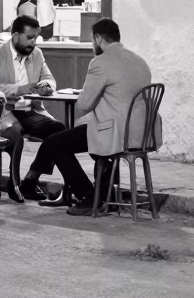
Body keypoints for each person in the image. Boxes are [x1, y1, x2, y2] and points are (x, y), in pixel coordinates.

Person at [22, 18, 162, 216]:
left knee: (55, 143)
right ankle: (103, 195)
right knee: (86, 139)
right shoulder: (140, 61)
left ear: (97, 39)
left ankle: (88, 197)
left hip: (115, 134)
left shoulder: (100, 63)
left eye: (92, 41)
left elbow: (84, 106)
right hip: (142, 134)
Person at [0, 16, 66, 203]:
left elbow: (50, 79)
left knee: (58, 131)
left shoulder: (37, 54)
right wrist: (20, 89)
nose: (33, 42)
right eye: (30, 37)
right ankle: (14, 183)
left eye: (36, 37)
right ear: (16, 36)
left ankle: (31, 180)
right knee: (15, 133)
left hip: (30, 110)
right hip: (5, 111)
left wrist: (45, 86)